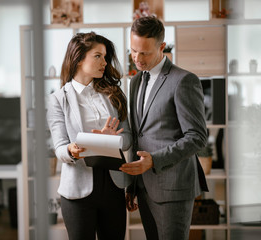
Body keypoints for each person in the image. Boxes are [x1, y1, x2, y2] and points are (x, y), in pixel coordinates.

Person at [119, 16, 209, 240]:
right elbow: (138, 134)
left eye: (145, 53)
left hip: (173, 187)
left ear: (161, 47)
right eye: (133, 51)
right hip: (143, 186)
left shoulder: (184, 80)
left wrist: (154, 160)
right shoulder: (136, 81)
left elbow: (197, 137)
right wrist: (131, 186)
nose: (137, 59)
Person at [47, 32, 132, 240]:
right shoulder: (58, 100)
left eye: (105, 56)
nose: (105, 62)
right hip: (77, 190)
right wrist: (71, 150)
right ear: (78, 59)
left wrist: (113, 139)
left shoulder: (114, 94)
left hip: (113, 186)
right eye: (98, 56)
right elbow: (59, 146)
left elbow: (129, 138)